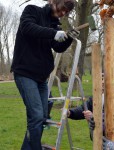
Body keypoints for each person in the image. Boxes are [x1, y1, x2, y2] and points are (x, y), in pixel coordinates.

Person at [10, 0, 79, 149]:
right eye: (62, 9)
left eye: (65, 12)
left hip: (41, 78)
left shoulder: (55, 25)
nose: (62, 13)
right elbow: (27, 27)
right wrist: (53, 33)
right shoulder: (32, 11)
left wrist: (69, 38)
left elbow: (58, 47)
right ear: (53, 2)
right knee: (36, 116)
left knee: (40, 118)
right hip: (25, 73)